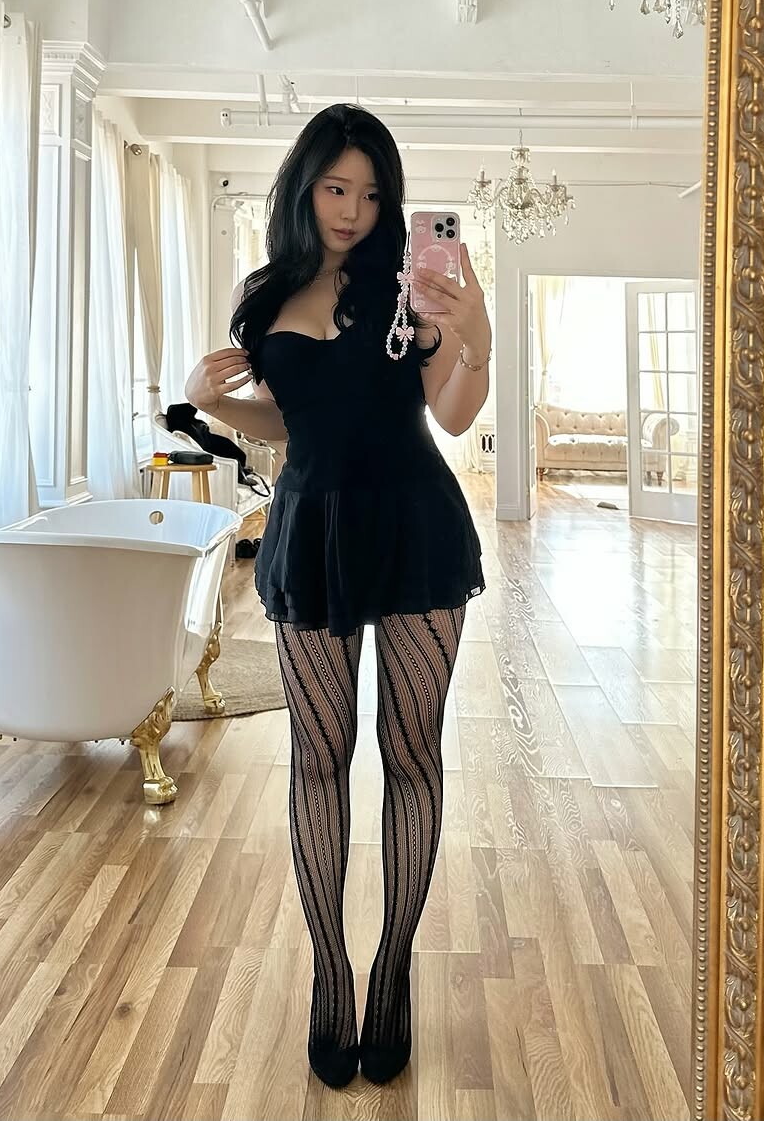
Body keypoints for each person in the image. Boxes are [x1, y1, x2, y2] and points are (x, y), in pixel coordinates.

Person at [184, 104, 490, 1089]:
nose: (353, 208)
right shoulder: (267, 292)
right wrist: (212, 400)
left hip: (415, 524)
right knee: (318, 758)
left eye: (369, 191)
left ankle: (392, 968)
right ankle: (331, 970)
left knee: (411, 754)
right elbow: (291, 419)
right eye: (335, 187)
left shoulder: (409, 287)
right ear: (305, 185)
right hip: (312, 530)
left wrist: (475, 339)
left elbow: (453, 416)